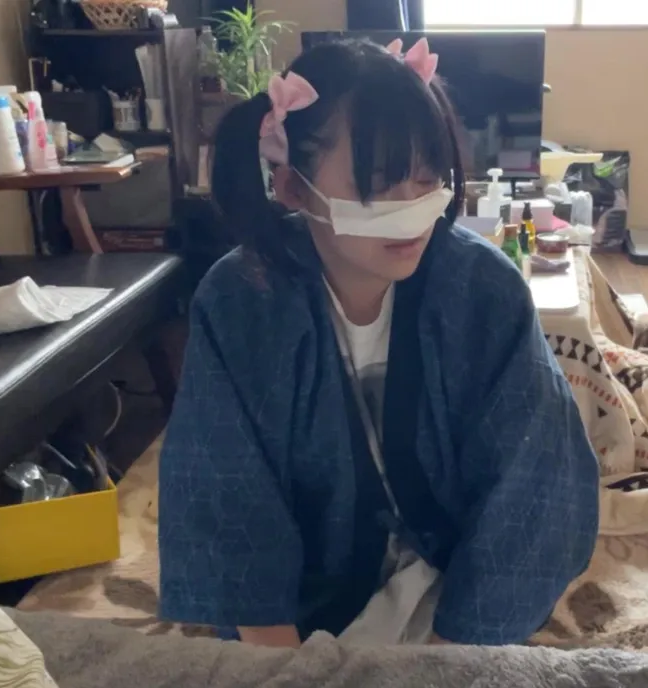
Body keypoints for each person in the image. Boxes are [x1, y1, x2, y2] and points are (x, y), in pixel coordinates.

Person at [157, 37, 598, 648]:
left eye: (427, 178)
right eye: (380, 184)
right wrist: (284, 673)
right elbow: (227, 493)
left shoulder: (482, 289)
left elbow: (537, 475)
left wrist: (455, 655)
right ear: (292, 189)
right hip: (311, 585)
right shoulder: (239, 302)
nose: (411, 209)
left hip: (454, 569)